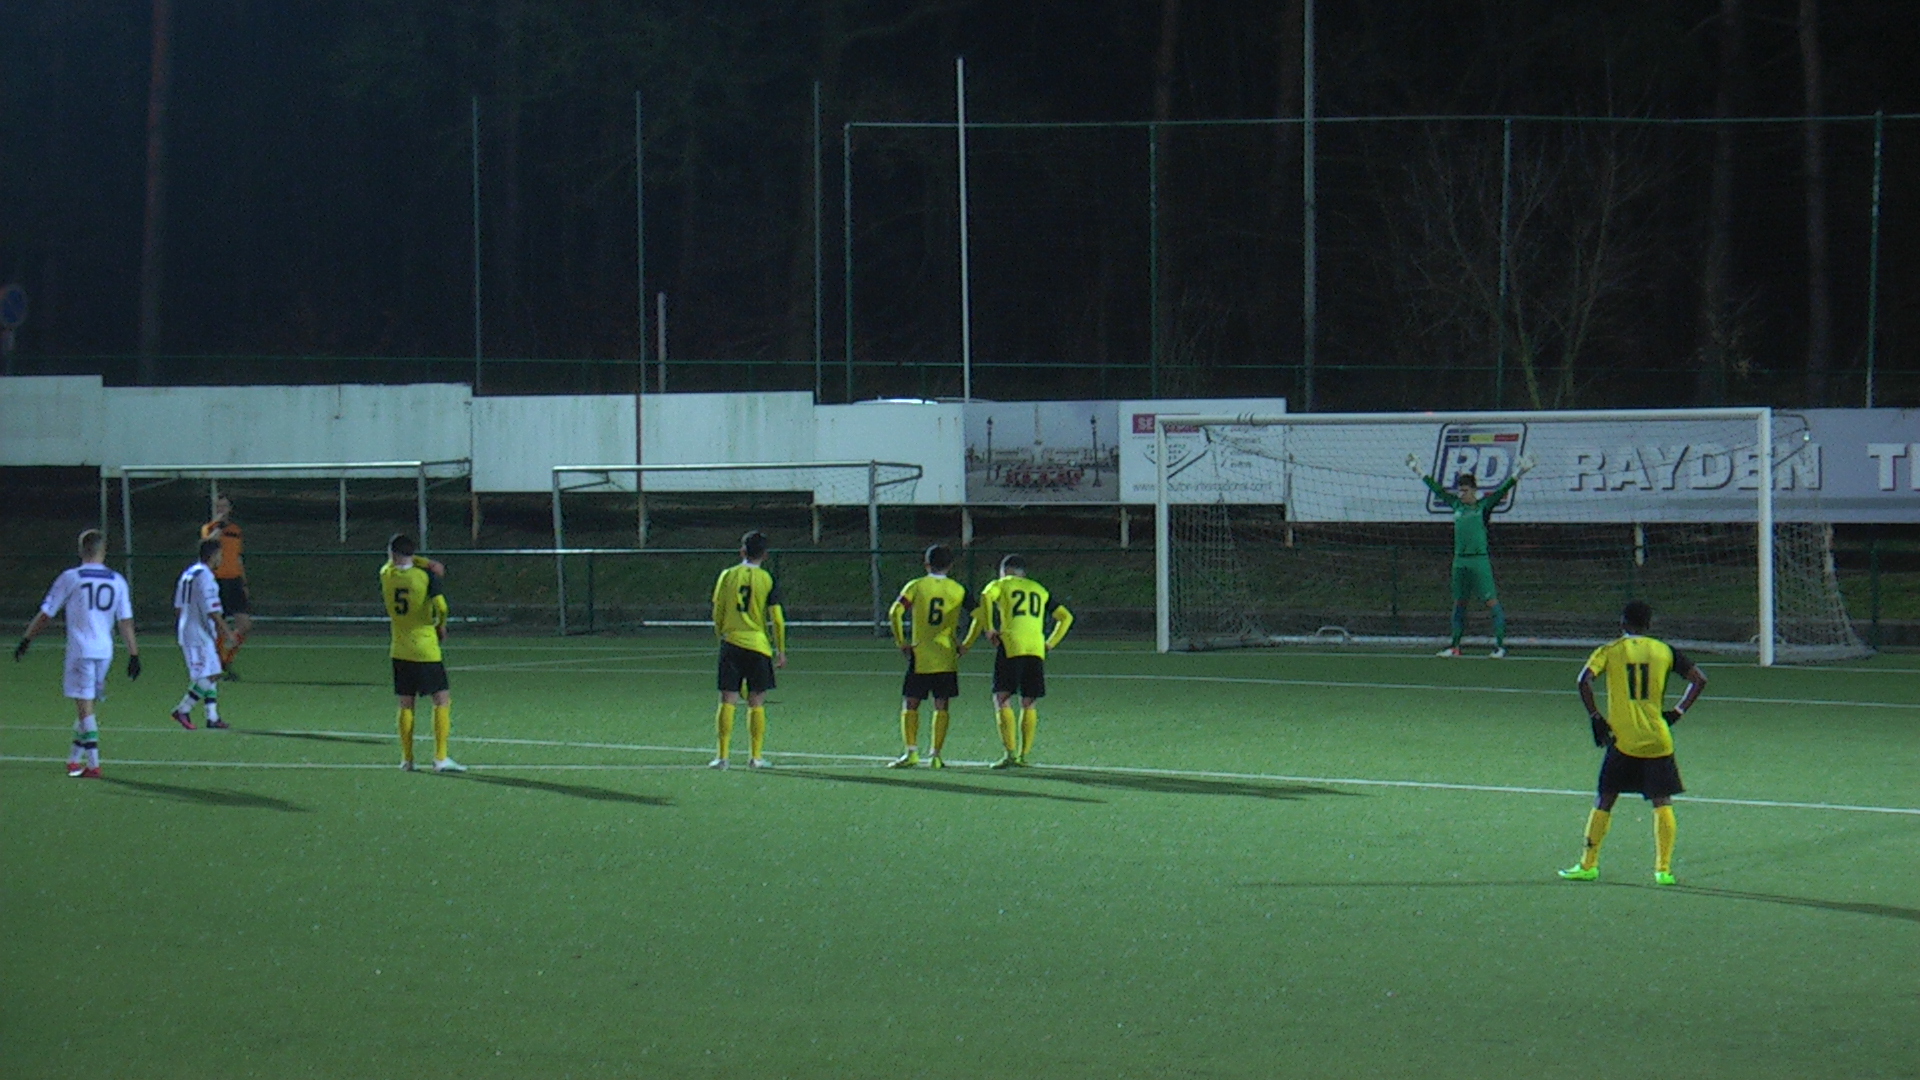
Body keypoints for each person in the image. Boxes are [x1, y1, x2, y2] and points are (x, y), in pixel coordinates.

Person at [1559, 600, 1708, 886]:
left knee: (1605, 798)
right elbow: (1699, 680)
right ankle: (1663, 870)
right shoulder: (1664, 650)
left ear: (1623, 623)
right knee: (1662, 801)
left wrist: (1596, 717)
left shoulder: (1610, 651)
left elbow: (1583, 681)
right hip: (1657, 739)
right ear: (1649, 625)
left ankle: (1588, 864)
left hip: (1624, 741)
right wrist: (1678, 711)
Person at [14, 529, 141, 778]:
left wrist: (27, 639)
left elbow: (46, 613)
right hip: (105, 651)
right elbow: (125, 621)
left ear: (81, 550)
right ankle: (73, 760)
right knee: (87, 706)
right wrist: (133, 654)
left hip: (81, 650)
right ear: (104, 551)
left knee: (84, 708)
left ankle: (93, 765)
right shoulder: (117, 580)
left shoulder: (70, 577)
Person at [1406, 453, 1533, 657]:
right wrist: (1418, 470)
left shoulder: (1483, 507)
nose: (1461, 494)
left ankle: (1500, 646)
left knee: (1491, 602)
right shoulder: (1456, 505)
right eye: (1460, 490)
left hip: (1479, 561)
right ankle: (1455, 646)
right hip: (1459, 561)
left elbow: (1502, 490)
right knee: (1459, 603)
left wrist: (1520, 472)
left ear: (1474, 490)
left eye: (1465, 490)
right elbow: (1437, 490)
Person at [961, 553, 1073, 768]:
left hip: (1011, 644)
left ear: (1004, 572)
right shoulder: (1038, 589)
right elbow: (1066, 617)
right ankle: (1024, 755)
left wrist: (990, 628)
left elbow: (985, 597)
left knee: (1002, 697)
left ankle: (1010, 753)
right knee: (1029, 701)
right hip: (1036, 648)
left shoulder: (1001, 584)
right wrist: (1050, 643)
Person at [379, 534, 462, 773]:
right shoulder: (425, 576)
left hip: (399, 648)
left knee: (406, 703)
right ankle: (440, 758)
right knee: (441, 699)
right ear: (413, 553)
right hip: (425, 648)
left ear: (392, 553)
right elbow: (442, 607)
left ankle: (407, 759)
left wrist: (420, 561)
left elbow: (399, 561)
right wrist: (441, 625)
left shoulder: (386, 573)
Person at [886, 544, 974, 769]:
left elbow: (895, 612)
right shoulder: (958, 589)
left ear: (926, 564)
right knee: (941, 705)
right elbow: (980, 615)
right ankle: (935, 755)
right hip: (946, 655)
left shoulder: (916, 586)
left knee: (911, 702)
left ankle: (911, 752)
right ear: (950, 565)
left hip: (921, 655)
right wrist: (966, 644)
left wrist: (901, 642)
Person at [710, 530, 787, 770]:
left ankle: (722, 757)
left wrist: (721, 635)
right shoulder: (767, 579)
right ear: (765, 555)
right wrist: (780, 649)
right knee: (756, 702)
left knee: (727, 700)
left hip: (731, 642)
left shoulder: (727, 575)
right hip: (758, 646)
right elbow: (777, 619)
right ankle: (756, 757)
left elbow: (717, 610)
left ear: (742, 551)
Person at [171, 537, 235, 730]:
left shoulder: (188, 573)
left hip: (193, 630)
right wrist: (228, 632)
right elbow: (212, 610)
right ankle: (183, 709)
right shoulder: (206, 576)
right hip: (198, 633)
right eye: (220, 555)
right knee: (210, 674)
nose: (221, 559)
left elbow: (178, 607)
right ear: (213, 555)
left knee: (211, 672)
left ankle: (212, 717)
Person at [200, 494, 252, 676]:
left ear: (230, 509)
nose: (221, 510)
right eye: (218, 506)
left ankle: (226, 660)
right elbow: (207, 544)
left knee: (245, 624)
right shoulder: (209, 528)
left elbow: (237, 557)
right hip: (217, 580)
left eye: (224, 506)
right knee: (218, 625)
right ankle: (217, 664)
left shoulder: (236, 530)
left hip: (234, 580)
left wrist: (244, 582)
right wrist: (218, 526)